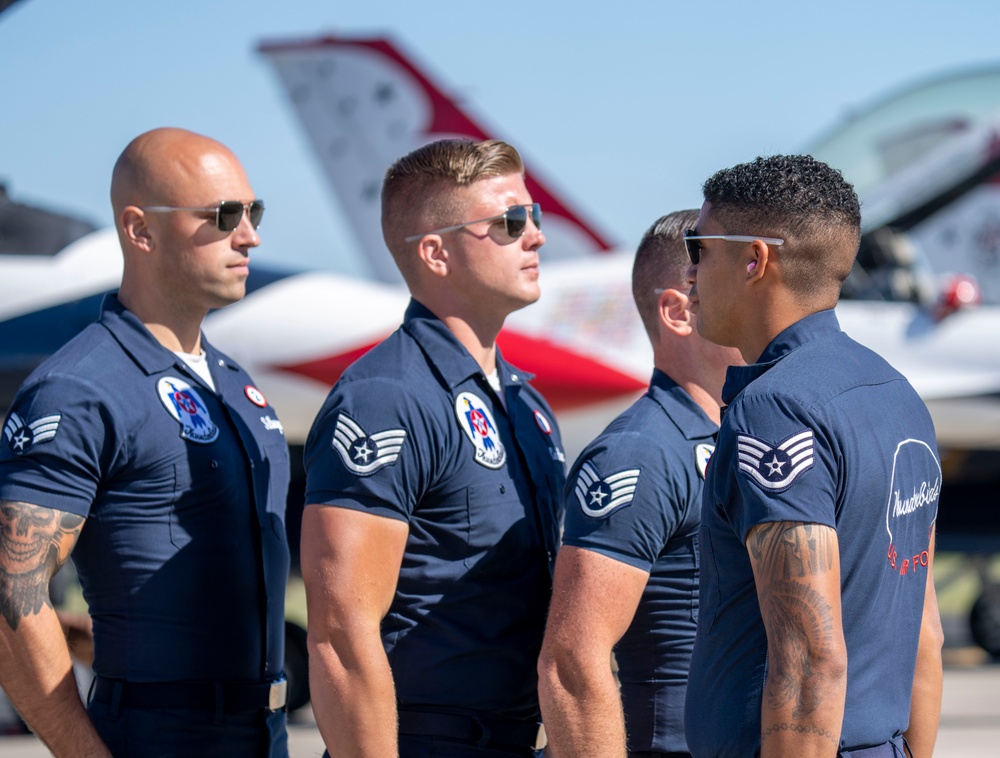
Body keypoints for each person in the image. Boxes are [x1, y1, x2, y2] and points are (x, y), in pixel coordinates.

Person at [0, 128, 291, 757]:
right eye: (223, 216)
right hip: (155, 738)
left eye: (254, 211)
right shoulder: (78, 388)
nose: (250, 236)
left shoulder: (238, 387)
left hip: (265, 735)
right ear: (140, 230)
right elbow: (11, 596)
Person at [301, 138, 565, 758]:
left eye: (534, 217)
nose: (536, 237)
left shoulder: (526, 403)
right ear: (435, 253)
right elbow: (341, 635)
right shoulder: (385, 398)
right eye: (510, 222)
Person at [683, 155, 944, 758]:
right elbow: (923, 637)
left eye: (700, 245)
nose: (690, 270)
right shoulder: (897, 395)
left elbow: (807, 663)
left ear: (755, 259)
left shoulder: (776, 410)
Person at [538, 210, 742, 758]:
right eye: (735, 282)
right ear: (679, 311)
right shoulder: (641, 452)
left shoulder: (741, 437)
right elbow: (573, 664)